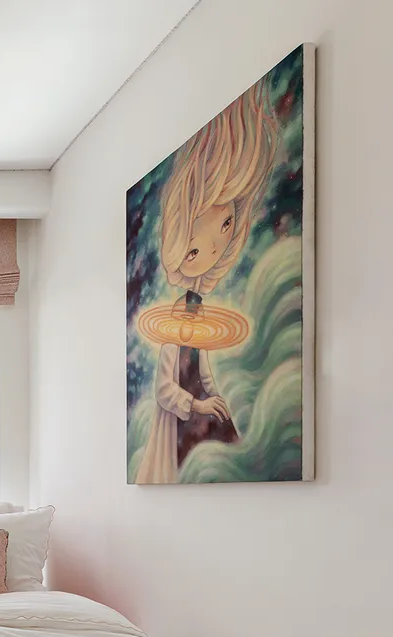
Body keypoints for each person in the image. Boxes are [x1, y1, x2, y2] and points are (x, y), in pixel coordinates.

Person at [136, 81, 279, 484]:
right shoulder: (176, 318)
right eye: (197, 249)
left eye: (226, 226)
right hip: (180, 423)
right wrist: (198, 406)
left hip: (194, 415)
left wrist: (216, 400)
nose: (215, 249)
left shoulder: (194, 308)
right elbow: (166, 388)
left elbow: (203, 367)